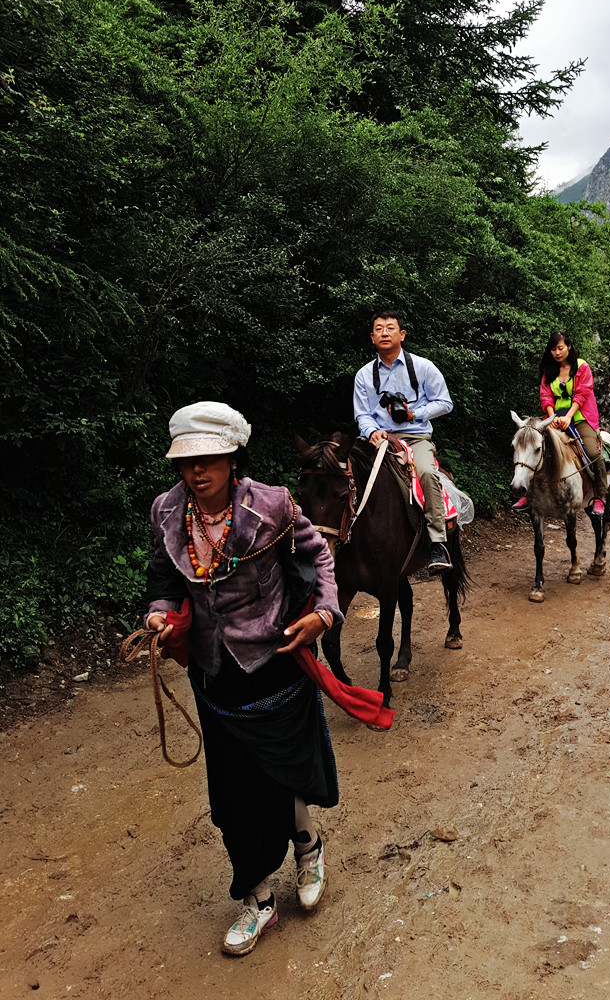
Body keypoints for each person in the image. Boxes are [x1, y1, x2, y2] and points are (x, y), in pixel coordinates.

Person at [144, 402, 343, 957]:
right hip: (213, 674)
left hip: (274, 659)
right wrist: (159, 613)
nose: (196, 472)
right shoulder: (166, 512)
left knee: (284, 772)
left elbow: (318, 556)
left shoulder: (273, 504)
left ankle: (307, 846)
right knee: (233, 792)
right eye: (187, 462)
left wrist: (324, 613)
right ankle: (257, 899)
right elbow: (161, 577)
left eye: (209, 460)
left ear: (234, 459)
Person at [353, 309, 454, 572]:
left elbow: (445, 402)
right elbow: (362, 414)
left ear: (402, 334)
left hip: (415, 435)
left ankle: (437, 542)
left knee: (426, 472)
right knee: (346, 472)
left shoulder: (423, 367)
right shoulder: (364, 375)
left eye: (390, 328)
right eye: (379, 329)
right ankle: (346, 538)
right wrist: (372, 431)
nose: (384, 333)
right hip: (378, 438)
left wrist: (415, 413)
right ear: (372, 337)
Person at [513, 330, 608, 515]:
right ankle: (528, 493)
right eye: (553, 349)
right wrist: (552, 417)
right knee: (531, 445)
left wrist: (568, 417)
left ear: (569, 347)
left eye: (560, 348)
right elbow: (546, 396)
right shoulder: (549, 371)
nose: (557, 352)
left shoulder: (581, 367)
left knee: (592, 453)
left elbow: (583, 393)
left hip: (580, 417)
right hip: (554, 419)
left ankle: (600, 496)